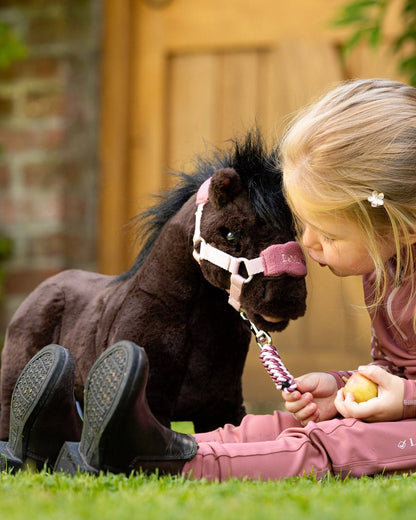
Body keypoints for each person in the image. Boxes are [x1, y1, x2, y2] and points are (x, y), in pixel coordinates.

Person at [2, 77, 416, 480]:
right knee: (273, 426)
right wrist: (342, 387)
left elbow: (406, 389)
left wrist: (405, 400)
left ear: (401, 226)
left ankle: (166, 459)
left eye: (329, 235)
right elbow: (397, 369)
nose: (308, 244)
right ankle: (109, 442)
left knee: (335, 443)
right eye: (304, 226)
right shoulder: (389, 266)